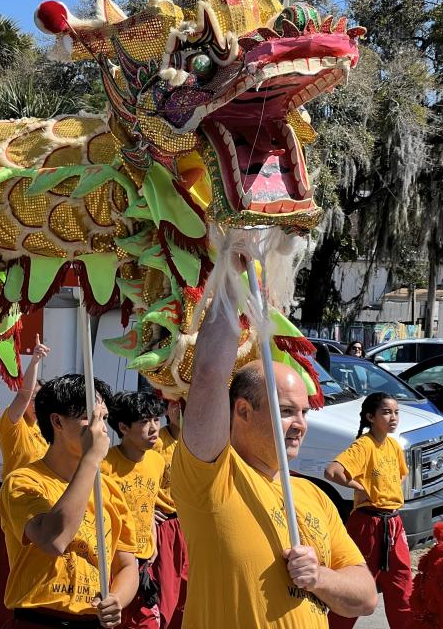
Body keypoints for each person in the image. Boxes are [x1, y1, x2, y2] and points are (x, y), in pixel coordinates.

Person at [171, 257, 377, 628]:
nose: (300, 425)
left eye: (304, 413)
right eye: (286, 411)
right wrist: (232, 269)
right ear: (243, 411)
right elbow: (209, 374)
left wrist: (320, 577)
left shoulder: (313, 496)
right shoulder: (212, 477)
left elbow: (364, 597)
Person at [0, 374, 139, 629]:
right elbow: (53, 540)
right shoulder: (23, 481)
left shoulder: (111, 491)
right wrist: (91, 459)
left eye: (104, 419)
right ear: (57, 421)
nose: (101, 428)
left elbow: (127, 565)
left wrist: (116, 599)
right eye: (91, 418)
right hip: (38, 620)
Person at [324, 393, 412, 629]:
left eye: (396, 412)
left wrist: (388, 490)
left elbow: (403, 474)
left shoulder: (393, 444)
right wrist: (361, 488)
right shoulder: (364, 445)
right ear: (370, 417)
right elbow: (332, 472)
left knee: (402, 585)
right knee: (355, 590)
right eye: (386, 412)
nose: (393, 417)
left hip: (394, 523)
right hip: (367, 525)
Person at [0, 338, 50, 629]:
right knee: (6, 572)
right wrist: (34, 362)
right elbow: (24, 393)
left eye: (41, 398)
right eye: (33, 398)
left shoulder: (49, 433)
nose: (34, 402)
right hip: (10, 506)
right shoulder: (13, 427)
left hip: (40, 509)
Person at [102, 391, 167, 629]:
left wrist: (153, 537)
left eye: (156, 420)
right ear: (123, 427)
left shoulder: (157, 462)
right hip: (113, 565)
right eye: (144, 422)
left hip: (144, 565)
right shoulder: (104, 465)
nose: (153, 428)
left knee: (148, 624)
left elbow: (147, 505)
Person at [151, 398, 188, 629]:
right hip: (166, 526)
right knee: (167, 593)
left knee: (189, 592)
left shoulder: (197, 443)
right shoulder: (156, 442)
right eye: (174, 404)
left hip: (193, 526)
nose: (179, 409)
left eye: (184, 404)